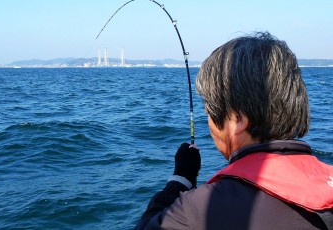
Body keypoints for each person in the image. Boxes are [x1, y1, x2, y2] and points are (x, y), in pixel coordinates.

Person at [135, 32, 333, 229]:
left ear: (238, 119)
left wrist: (180, 181)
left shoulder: (198, 212)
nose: (210, 124)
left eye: (209, 113)